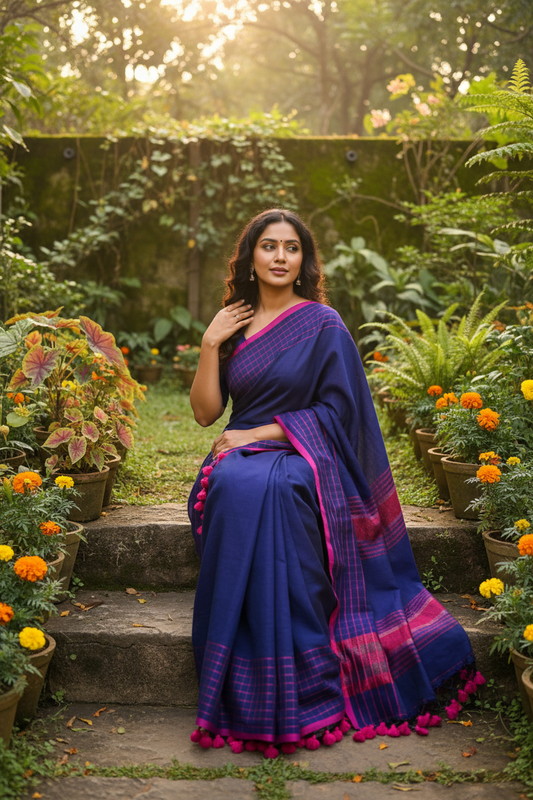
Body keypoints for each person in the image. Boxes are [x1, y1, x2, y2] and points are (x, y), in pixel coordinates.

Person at [187, 209, 475, 755]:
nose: (278, 256)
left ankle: (304, 670)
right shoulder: (231, 323)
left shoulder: (323, 324)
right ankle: (239, 665)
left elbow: (342, 413)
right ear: (250, 257)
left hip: (306, 456)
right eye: (267, 246)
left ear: (303, 260)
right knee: (235, 487)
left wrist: (265, 432)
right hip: (237, 454)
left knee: (281, 490)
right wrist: (208, 343)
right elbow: (206, 415)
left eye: (290, 248)